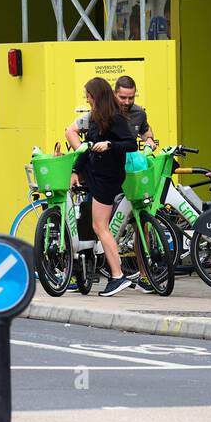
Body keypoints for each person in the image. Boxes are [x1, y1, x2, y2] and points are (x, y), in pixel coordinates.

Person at [69, 77, 138, 297]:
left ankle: (117, 276)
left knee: (100, 227)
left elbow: (130, 144)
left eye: (88, 95)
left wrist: (109, 144)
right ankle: (116, 275)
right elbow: (87, 149)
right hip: (97, 176)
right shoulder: (97, 118)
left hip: (107, 178)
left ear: (95, 95)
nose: (86, 99)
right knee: (101, 226)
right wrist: (74, 170)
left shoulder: (115, 118)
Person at [66, 74, 155, 151]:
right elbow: (70, 131)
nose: (127, 102)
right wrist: (83, 154)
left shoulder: (139, 113)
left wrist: (150, 140)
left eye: (131, 98)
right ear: (114, 94)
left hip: (128, 165)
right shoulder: (99, 113)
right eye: (123, 98)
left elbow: (145, 131)